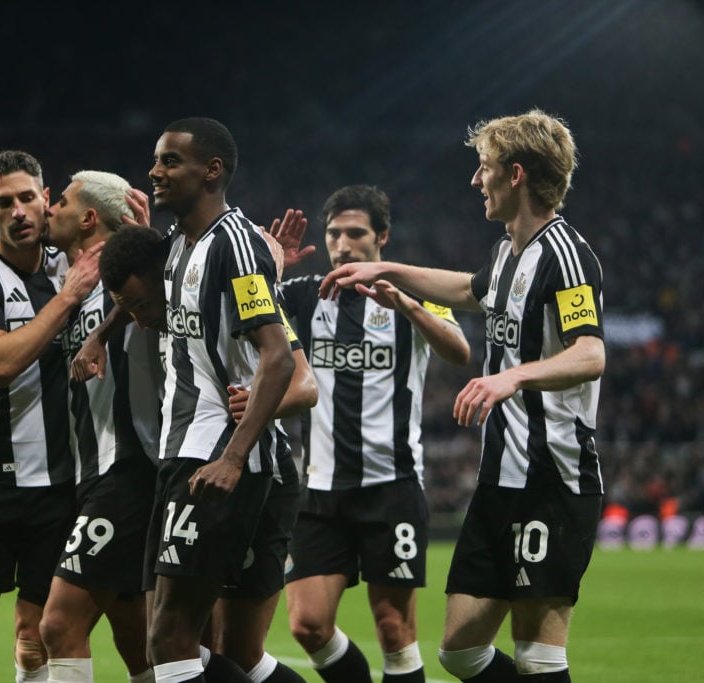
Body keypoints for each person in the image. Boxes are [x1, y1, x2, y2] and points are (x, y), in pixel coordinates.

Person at [321, 109, 605, 682]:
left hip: (552, 479)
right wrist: (388, 274)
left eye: (485, 168)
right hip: (501, 476)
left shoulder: (565, 256)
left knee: (538, 655)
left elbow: (591, 353)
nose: (477, 181)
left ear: (516, 174)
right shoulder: (507, 252)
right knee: (458, 651)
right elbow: (470, 291)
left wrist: (512, 376)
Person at [0, 169, 160, 683]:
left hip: (126, 470)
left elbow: (167, 293)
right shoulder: (70, 289)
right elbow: (27, 359)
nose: (47, 211)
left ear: (89, 218)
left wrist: (146, 240)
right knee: (142, 641)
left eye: (59, 202)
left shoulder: (127, 288)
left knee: (58, 624)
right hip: (89, 477)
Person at [96, 223, 314, 683]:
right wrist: (100, 333)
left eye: (140, 305)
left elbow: (304, 384)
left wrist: (256, 407)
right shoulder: (180, 313)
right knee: (194, 646)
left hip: (248, 470)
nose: (139, 318)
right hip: (189, 463)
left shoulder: (237, 295)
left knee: (205, 647)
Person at [272, 185, 470, 683]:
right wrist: (272, 269)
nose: (343, 243)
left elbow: (459, 351)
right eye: (334, 233)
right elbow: (246, 312)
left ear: (381, 237)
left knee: (393, 629)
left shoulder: (412, 295)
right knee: (309, 626)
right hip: (319, 490)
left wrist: (407, 304)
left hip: (392, 487)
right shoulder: (303, 297)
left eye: (355, 233)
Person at [130, 116, 296, 683]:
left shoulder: (236, 247)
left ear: (212, 171)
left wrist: (233, 456)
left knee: (168, 639)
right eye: (156, 160)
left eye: (170, 161)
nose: (155, 171)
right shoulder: (178, 246)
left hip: (217, 457)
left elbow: (278, 357)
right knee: (195, 641)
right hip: (182, 453)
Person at [0, 150, 103, 683]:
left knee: (34, 640)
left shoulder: (76, 259)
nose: (19, 211)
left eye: (28, 197)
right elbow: (1, 363)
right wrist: (69, 297)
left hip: (62, 487)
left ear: (46, 199)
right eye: (3, 202)